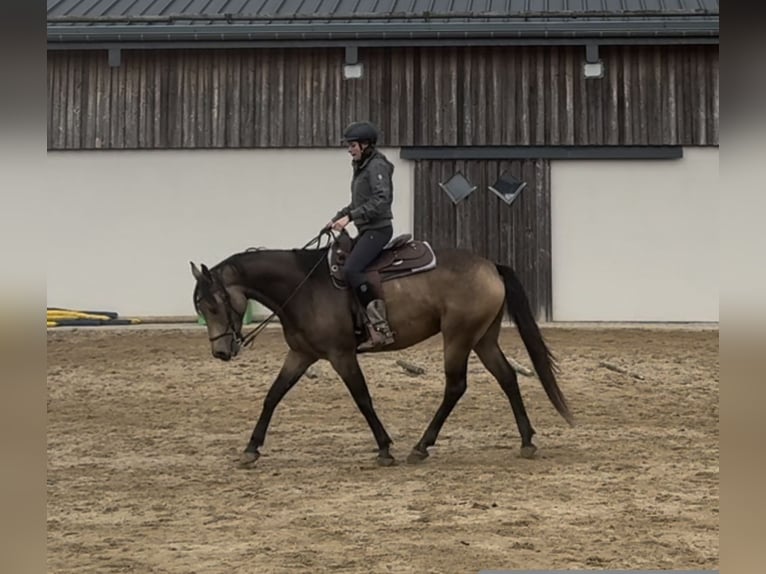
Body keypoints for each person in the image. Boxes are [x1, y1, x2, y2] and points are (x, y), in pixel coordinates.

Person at [326, 121, 396, 350]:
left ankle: (380, 327)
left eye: (352, 144)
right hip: (367, 229)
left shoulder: (377, 166)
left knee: (352, 269)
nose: (349, 149)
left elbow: (381, 200)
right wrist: (338, 216)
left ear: (365, 145)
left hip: (378, 230)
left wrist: (351, 217)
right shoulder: (362, 166)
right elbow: (359, 201)